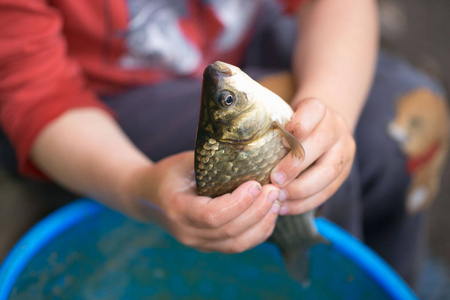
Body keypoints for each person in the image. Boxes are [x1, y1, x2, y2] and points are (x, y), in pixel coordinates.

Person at [0, 0, 446, 288]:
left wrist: (332, 110)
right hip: (102, 105)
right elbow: (35, 91)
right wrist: (136, 186)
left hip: (245, 40)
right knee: (305, 191)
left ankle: (389, 281)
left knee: (401, 128)